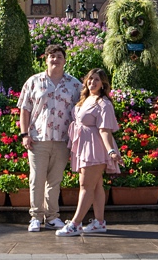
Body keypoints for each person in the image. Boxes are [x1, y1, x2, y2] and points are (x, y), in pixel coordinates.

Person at [17, 44, 82, 232]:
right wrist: (24, 134)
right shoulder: (33, 82)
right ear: (45, 59)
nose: (55, 59)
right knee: (36, 178)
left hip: (62, 139)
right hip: (38, 138)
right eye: (51, 56)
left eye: (59, 56)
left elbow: (81, 109)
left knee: (55, 180)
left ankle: (52, 216)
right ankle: (36, 216)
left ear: (65, 60)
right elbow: (24, 109)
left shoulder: (74, 84)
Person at [56, 68, 121, 236]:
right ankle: (99, 222)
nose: (92, 82)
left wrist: (112, 151)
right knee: (97, 185)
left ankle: (75, 224)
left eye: (97, 80)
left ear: (103, 84)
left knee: (85, 185)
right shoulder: (86, 98)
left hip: (95, 148)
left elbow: (105, 130)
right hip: (84, 146)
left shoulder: (103, 103)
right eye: (90, 79)